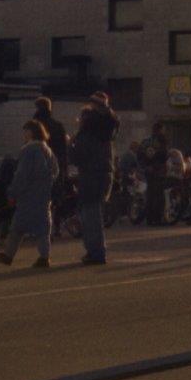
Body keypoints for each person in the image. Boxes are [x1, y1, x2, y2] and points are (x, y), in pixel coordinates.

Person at [0, 120, 59, 268]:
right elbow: (55, 170)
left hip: (28, 195)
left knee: (17, 226)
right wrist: (46, 184)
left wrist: (12, 193)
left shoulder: (29, 150)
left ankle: (8, 255)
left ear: (31, 132)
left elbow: (21, 175)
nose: (24, 134)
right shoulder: (47, 149)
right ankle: (44, 256)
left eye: (25, 131)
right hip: (43, 195)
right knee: (43, 228)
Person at [71, 91, 120, 265]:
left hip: (91, 175)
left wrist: (71, 145)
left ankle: (96, 252)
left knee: (90, 215)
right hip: (104, 173)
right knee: (94, 213)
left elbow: (78, 157)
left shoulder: (88, 134)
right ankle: (95, 251)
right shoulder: (106, 133)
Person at [34, 97, 70, 235]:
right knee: (54, 199)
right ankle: (56, 226)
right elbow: (64, 151)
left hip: (39, 167)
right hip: (56, 167)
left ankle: (40, 228)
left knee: (39, 199)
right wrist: (64, 170)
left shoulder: (35, 126)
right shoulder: (58, 126)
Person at [142, 123, 169, 225]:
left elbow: (141, 155)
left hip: (149, 171)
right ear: (160, 129)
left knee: (150, 194)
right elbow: (164, 155)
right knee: (158, 195)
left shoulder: (147, 141)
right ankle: (157, 219)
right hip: (158, 171)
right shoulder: (161, 140)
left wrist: (147, 166)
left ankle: (149, 219)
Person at [0, 151, 18, 239]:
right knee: (12, 216)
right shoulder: (14, 178)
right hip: (12, 201)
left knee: (5, 217)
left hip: (3, 202)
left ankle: (4, 232)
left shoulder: (1, 180)